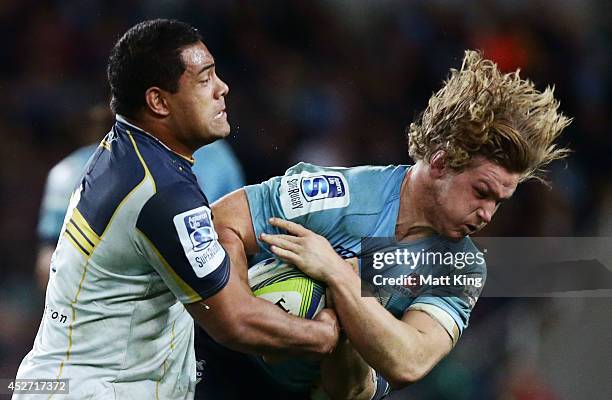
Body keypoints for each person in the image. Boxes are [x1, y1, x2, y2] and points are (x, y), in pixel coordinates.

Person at [196, 50, 571, 399]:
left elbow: (410, 361)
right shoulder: (342, 193)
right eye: (481, 192)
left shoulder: (459, 266)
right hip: (220, 371)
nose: (488, 214)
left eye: (498, 202)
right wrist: (246, 314)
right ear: (441, 163)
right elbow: (222, 220)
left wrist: (340, 278)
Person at [14, 19, 340, 400]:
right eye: (205, 79)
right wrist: (324, 333)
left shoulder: (125, 152)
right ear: (158, 101)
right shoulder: (163, 194)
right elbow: (234, 322)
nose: (223, 88)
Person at [35, 107, 245, 290]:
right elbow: (49, 259)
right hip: (105, 307)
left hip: (197, 299)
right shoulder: (70, 171)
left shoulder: (214, 158)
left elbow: (234, 237)